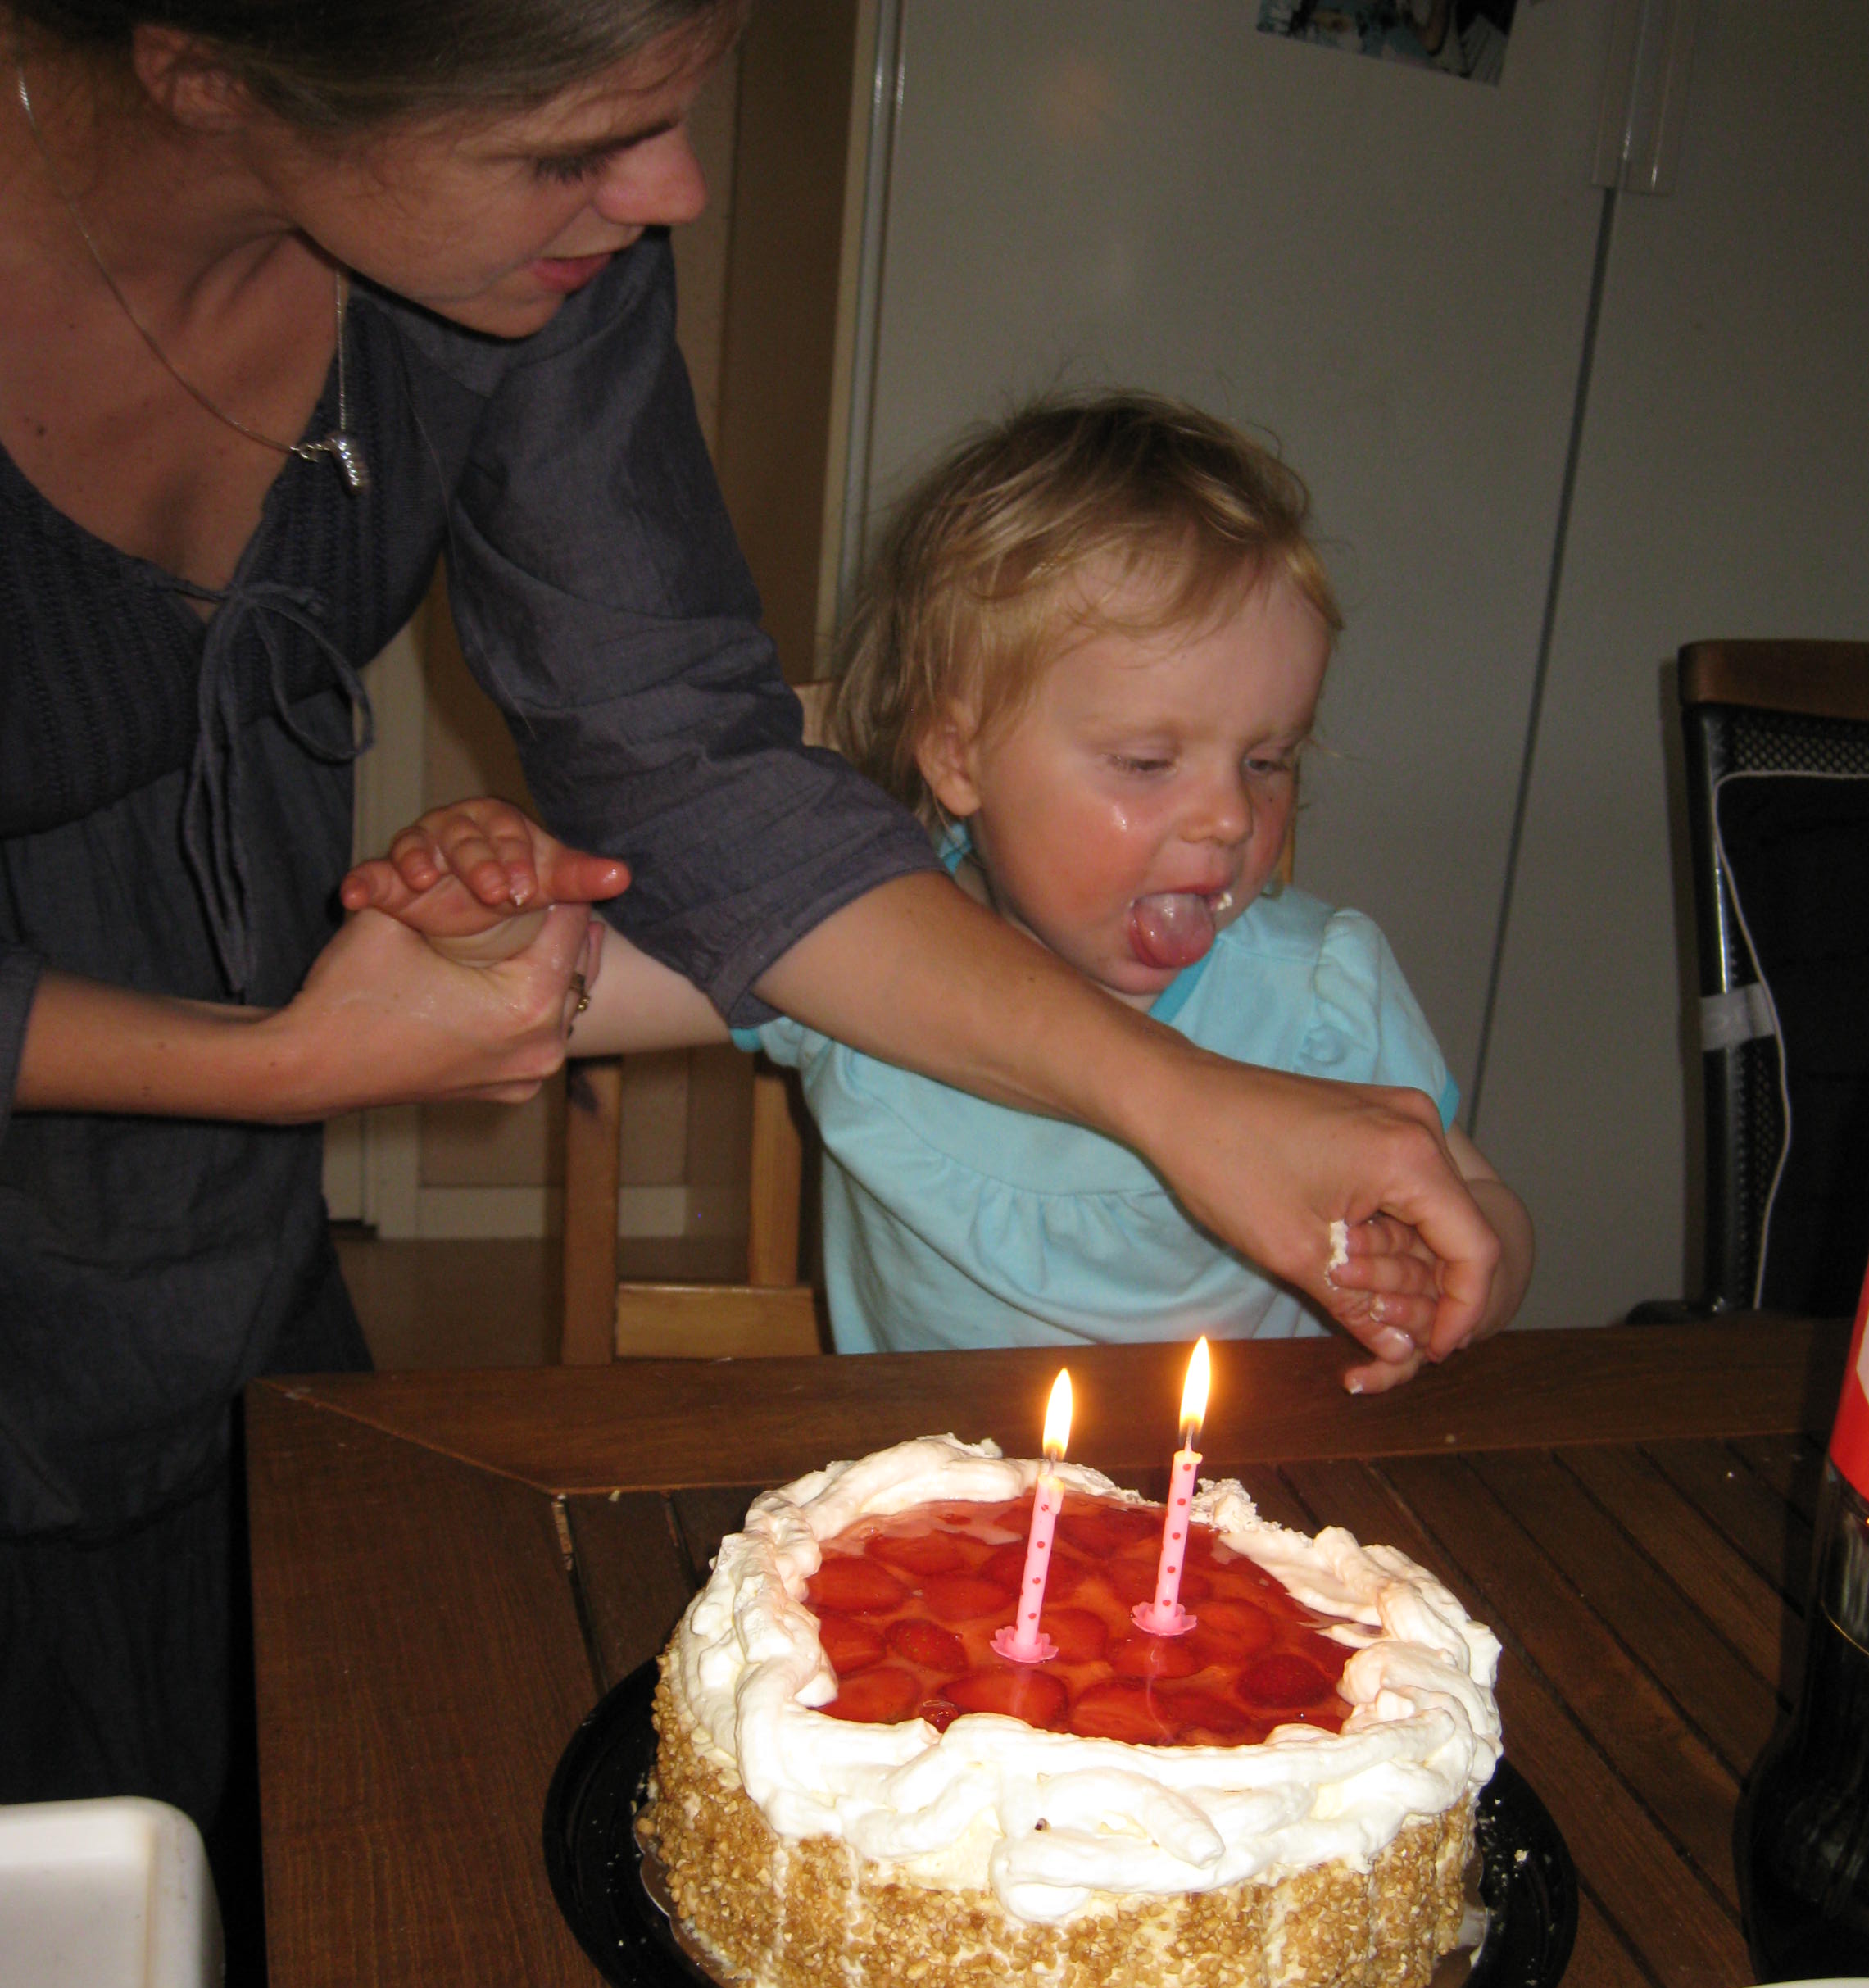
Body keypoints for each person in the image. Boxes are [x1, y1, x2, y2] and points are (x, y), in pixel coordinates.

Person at [2, 0, 1504, 1849]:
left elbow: (695, 786)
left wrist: (1185, 1100)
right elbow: (620, 965)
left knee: (270, 1825)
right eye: (570, 145)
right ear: (210, 67)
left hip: (218, 1267)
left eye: (672, 110)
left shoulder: (538, 269)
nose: (675, 191)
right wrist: (323, 1036)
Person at [357, 396, 1531, 1374]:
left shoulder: (1321, 997)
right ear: (958, 757)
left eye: (1267, 761)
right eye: (1146, 763)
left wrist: (1448, 1281)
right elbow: (557, 997)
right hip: (927, 1524)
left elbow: (1484, 1213)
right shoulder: (858, 957)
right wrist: (495, 919)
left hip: (1230, 1528)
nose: (1231, 818)